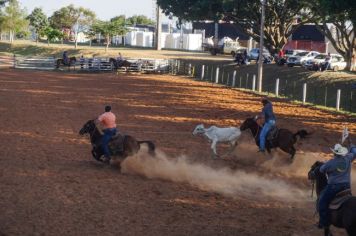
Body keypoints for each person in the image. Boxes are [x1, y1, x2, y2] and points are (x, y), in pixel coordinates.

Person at [317, 142, 356, 229]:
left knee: (322, 202)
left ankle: (324, 222)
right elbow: (354, 151)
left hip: (334, 187)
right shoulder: (348, 158)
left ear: (334, 153)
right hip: (346, 187)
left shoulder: (331, 162)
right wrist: (352, 145)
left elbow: (321, 170)